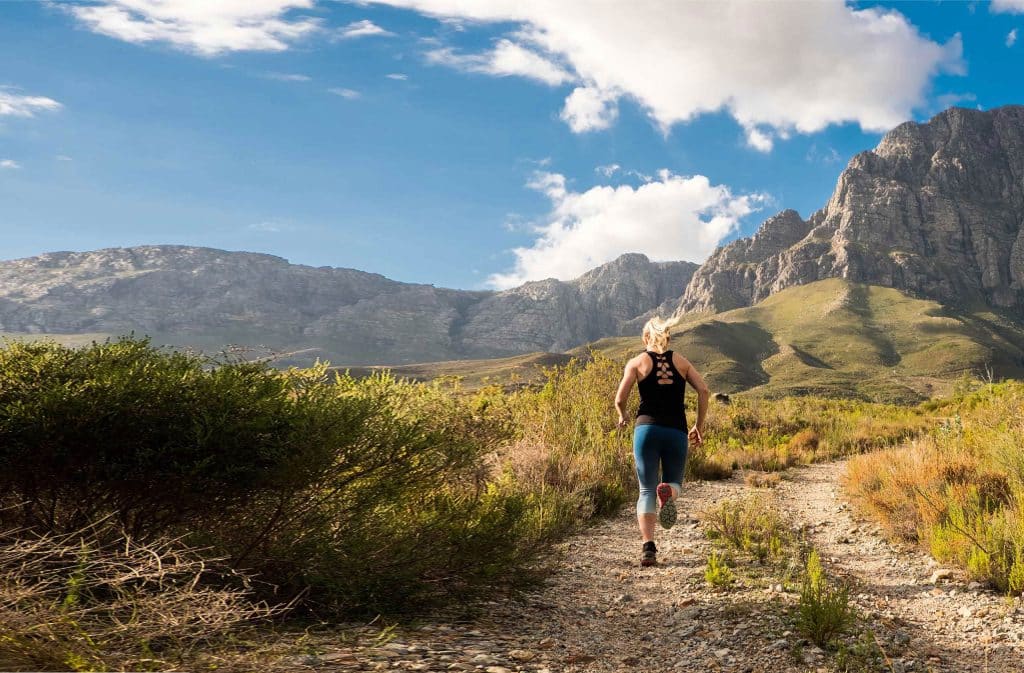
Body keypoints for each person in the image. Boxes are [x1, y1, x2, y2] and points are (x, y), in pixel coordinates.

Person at [613, 315, 709, 567]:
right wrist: (698, 426)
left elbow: (620, 399)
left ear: (646, 337)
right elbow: (704, 390)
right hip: (676, 431)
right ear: (667, 337)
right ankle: (669, 494)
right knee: (674, 482)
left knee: (646, 489)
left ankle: (648, 548)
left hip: (646, 430)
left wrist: (623, 416)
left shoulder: (636, 362)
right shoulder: (682, 362)